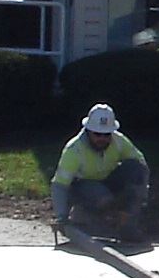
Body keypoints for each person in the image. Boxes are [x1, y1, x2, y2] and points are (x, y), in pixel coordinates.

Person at [51, 103, 151, 243]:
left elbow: (140, 165)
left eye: (106, 134)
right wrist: (61, 216)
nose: (102, 139)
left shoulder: (119, 141)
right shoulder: (74, 150)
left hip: (108, 183)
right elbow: (60, 185)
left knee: (135, 168)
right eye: (97, 134)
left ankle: (127, 224)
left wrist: (137, 198)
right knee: (101, 197)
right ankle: (87, 218)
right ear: (88, 131)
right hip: (83, 188)